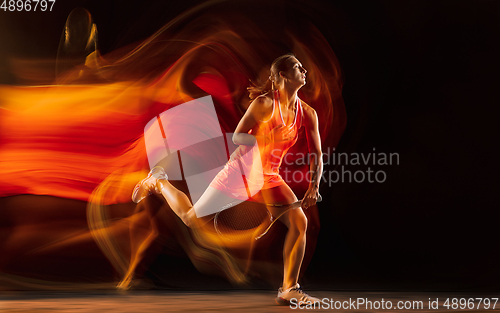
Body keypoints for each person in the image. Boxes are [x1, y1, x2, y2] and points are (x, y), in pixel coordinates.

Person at [130, 53, 323, 305]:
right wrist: (264, 140)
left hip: (269, 176)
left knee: (300, 222)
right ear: (282, 76)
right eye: (298, 67)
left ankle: (289, 289)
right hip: (241, 171)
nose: (305, 70)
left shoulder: (307, 113)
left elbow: (317, 154)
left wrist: (313, 186)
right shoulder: (264, 104)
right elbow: (238, 136)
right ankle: (158, 181)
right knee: (191, 219)